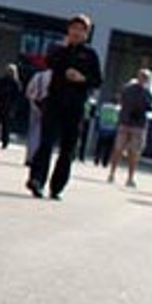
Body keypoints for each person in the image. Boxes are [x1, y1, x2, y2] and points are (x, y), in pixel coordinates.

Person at [27, 14, 103, 200]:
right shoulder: (59, 50)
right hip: (54, 101)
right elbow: (49, 62)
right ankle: (37, 180)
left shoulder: (90, 55)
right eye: (73, 28)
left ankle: (57, 187)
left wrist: (82, 78)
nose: (76, 32)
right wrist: (64, 56)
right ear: (68, 30)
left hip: (75, 106)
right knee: (45, 142)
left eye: (81, 30)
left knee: (67, 148)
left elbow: (97, 81)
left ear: (87, 34)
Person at [107, 67, 152, 187]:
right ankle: (123, 176)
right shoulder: (146, 93)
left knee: (125, 151)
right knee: (128, 151)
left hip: (128, 123)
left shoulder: (128, 89)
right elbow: (149, 107)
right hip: (135, 125)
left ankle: (118, 175)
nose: (143, 79)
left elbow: (121, 101)